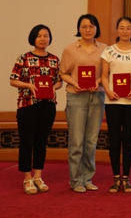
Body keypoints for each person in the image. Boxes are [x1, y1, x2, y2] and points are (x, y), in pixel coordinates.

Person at [10, 25, 62, 195]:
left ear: (50, 38)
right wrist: (29, 86)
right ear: (33, 38)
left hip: (48, 105)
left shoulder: (54, 59)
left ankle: (38, 176)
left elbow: (59, 81)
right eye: (39, 36)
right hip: (27, 105)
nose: (42, 39)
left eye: (46, 36)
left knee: (41, 142)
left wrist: (54, 87)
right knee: (27, 142)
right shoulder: (24, 58)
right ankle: (27, 177)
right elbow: (13, 80)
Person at [60, 13, 108, 193]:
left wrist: (98, 82)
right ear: (79, 29)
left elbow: (107, 73)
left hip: (97, 96)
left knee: (91, 141)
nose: (88, 30)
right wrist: (75, 83)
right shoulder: (70, 49)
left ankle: (87, 178)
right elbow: (63, 73)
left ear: (96, 28)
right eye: (84, 26)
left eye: (91, 26)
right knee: (76, 141)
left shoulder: (104, 48)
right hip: (76, 97)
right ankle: (76, 180)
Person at [100, 16, 131, 193]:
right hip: (113, 101)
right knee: (114, 140)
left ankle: (126, 178)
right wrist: (108, 91)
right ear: (117, 29)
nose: (125, 31)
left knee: (129, 140)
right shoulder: (108, 51)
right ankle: (116, 178)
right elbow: (104, 75)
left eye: (128, 28)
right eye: (122, 27)